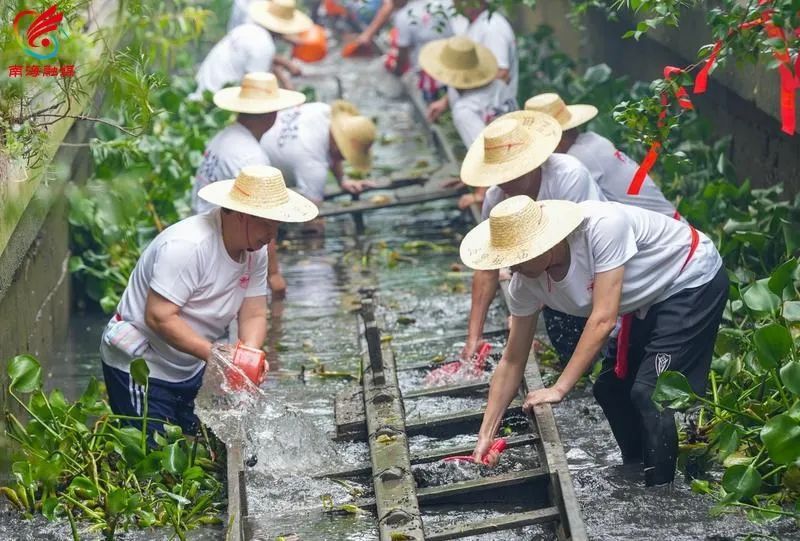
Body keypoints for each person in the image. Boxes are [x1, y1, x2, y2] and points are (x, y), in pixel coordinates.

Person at [460, 195, 726, 486]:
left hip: (688, 277)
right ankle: (637, 471)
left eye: (518, 256)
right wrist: (486, 435)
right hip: (642, 299)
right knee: (610, 389)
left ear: (545, 243)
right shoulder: (524, 283)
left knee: (650, 394)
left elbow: (603, 320)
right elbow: (512, 360)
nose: (511, 268)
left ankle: (661, 495)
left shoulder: (600, 228)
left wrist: (559, 388)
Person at [100, 166, 318, 435]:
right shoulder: (189, 246)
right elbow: (159, 316)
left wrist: (248, 358)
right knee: (152, 457)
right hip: (144, 364)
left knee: (198, 445)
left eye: (277, 224)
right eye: (266, 222)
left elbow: (254, 314)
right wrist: (216, 356)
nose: (272, 234)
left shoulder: (255, 251)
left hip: (191, 362)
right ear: (238, 213)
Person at [458, 111, 604, 363]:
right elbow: (486, 269)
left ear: (532, 162)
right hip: (547, 281)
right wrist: (474, 337)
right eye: (498, 175)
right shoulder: (495, 198)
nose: (504, 182)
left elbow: (581, 247)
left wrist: (525, 313)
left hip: (592, 270)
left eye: (511, 172)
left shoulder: (568, 177)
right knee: (567, 354)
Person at [191, 71, 306, 298]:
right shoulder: (250, 157)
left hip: (204, 229)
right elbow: (264, 217)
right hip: (221, 243)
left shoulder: (225, 136)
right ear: (271, 114)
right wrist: (273, 274)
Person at [524, 93, 679, 218]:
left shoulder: (578, 158)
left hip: (668, 243)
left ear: (555, 140)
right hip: (669, 226)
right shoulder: (593, 140)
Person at [418, 36, 517, 210]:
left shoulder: (464, 110)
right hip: (522, 159)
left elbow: (486, 150)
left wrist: (480, 193)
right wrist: (469, 177)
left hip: (503, 177)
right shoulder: (500, 86)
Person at [260, 100, 377, 205]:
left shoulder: (323, 110)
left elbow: (333, 150)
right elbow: (312, 215)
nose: (345, 159)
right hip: (259, 178)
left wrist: (342, 180)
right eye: (345, 155)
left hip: (260, 134)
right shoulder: (313, 166)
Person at [425, 0, 518, 127]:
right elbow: (474, 74)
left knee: (482, 146)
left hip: (490, 117)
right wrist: (445, 101)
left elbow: (501, 73)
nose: (453, 3)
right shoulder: (477, 24)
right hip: (479, 113)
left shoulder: (491, 27)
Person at [194, 0, 312, 96]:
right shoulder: (263, 45)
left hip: (202, 92)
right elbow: (256, 91)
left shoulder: (246, 29)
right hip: (217, 102)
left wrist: (286, 71)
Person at [352, 0, 454, 100]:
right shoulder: (445, 3)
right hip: (453, 66)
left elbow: (402, 55)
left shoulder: (404, 16)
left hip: (430, 77)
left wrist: (396, 73)